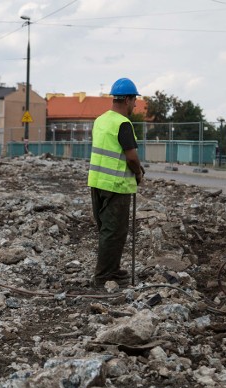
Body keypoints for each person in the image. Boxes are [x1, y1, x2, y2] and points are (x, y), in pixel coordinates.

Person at [87, 77, 145, 287]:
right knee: (114, 232)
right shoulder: (123, 123)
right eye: (134, 100)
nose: (135, 104)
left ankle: (111, 270)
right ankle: (104, 276)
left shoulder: (100, 120)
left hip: (97, 182)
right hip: (116, 185)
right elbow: (131, 156)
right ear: (128, 99)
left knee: (107, 230)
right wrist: (138, 173)